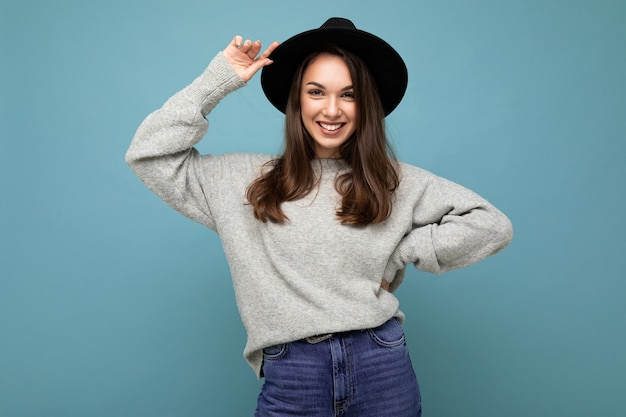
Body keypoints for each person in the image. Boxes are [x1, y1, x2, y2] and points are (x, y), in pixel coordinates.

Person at [126, 17, 513, 417]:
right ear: (297, 99)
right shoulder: (241, 181)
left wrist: (400, 253)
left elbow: (491, 224)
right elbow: (150, 155)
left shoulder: (394, 182)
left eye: (349, 94)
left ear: (367, 104)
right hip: (293, 372)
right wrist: (217, 80)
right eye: (316, 92)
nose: (332, 109)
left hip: (381, 363)